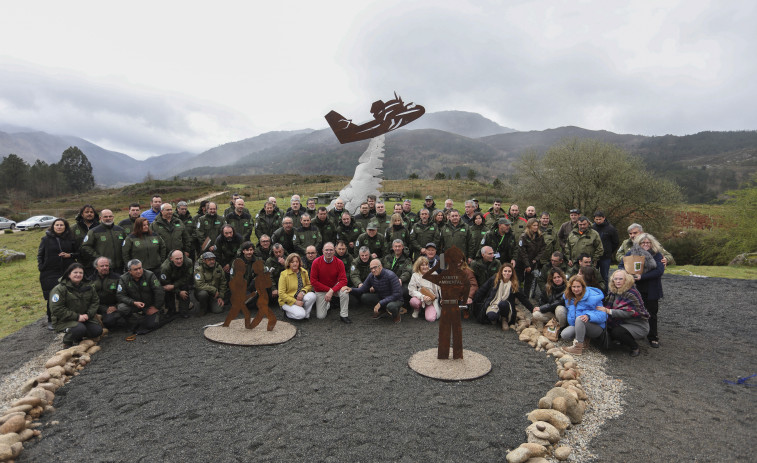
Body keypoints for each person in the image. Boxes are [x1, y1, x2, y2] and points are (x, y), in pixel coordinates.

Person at [618, 233, 665, 348]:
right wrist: (628, 274)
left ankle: (653, 337)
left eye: (648, 242)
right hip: (634, 288)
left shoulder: (657, 255)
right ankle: (632, 334)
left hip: (651, 288)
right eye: (643, 242)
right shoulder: (632, 253)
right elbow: (621, 265)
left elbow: (659, 271)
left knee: (651, 313)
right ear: (638, 243)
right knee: (631, 311)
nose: (646, 245)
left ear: (652, 243)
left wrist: (642, 277)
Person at [38, 218, 79, 330]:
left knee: (69, 295)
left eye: (62, 225)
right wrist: (41, 267)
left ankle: (67, 318)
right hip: (50, 271)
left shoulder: (71, 239)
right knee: (53, 295)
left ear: (65, 227)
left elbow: (78, 253)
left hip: (67, 270)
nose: (59, 227)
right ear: (53, 226)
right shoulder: (46, 239)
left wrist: (69, 255)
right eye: (57, 225)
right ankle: (51, 319)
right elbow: (40, 254)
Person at [49, 263, 103, 346]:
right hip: (64, 320)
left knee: (97, 331)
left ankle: (78, 336)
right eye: (75, 272)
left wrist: (88, 315)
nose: (78, 275)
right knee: (79, 329)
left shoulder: (89, 286)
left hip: (84, 318)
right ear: (69, 274)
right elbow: (57, 309)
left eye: (81, 273)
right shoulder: (59, 289)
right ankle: (67, 341)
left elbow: (95, 302)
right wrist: (77, 317)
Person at [600, 270, 650, 357]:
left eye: (620, 279)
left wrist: (608, 311)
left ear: (626, 280)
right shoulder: (613, 291)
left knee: (617, 332)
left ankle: (634, 347)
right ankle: (621, 341)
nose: (618, 281)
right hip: (623, 323)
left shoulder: (631, 293)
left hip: (638, 325)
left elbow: (629, 313)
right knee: (606, 326)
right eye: (615, 279)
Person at [473, 263, 533, 329]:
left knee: (502, 303)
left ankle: (504, 319)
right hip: (494, 304)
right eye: (505, 271)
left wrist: (533, 309)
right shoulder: (494, 279)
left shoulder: (514, 284)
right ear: (501, 272)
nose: (507, 273)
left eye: (509, 271)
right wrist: (473, 300)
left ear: (512, 273)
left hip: (506, 306)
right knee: (491, 316)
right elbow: (482, 290)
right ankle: (497, 317)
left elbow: (523, 298)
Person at [560, 275, 606, 355]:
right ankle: (585, 338)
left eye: (578, 286)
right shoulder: (569, 297)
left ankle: (577, 348)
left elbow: (603, 315)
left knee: (580, 319)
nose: (576, 289)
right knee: (565, 335)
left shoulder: (592, 297)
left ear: (583, 286)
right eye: (574, 287)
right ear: (570, 287)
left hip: (596, 327)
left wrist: (589, 316)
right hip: (578, 324)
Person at [117, 259, 165, 334]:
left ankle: (157, 313)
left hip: (150, 305)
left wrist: (156, 307)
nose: (139, 271)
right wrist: (133, 302)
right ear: (129, 271)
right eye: (135, 269)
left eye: (140, 268)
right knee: (121, 308)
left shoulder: (150, 275)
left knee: (151, 325)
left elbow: (159, 291)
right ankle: (135, 322)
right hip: (136, 304)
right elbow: (120, 295)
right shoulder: (123, 278)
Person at [310, 242, 351, 323]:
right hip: (321, 290)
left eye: (331, 250)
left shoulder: (339, 262)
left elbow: (344, 280)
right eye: (326, 250)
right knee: (320, 317)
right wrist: (329, 290)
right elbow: (313, 281)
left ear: (334, 251)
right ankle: (327, 305)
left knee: (345, 292)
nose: (329, 252)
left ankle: (344, 315)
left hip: (334, 288)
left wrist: (332, 291)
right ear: (322, 251)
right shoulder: (316, 262)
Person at [81, 209, 126, 276]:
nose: (108, 218)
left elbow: (126, 245)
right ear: (100, 218)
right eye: (105, 217)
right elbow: (85, 246)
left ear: (113, 217)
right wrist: (98, 257)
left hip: (120, 267)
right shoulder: (94, 231)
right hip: (104, 268)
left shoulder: (120, 230)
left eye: (110, 216)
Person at [278, 253, 316, 320]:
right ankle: (287, 313)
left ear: (299, 262)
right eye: (292, 262)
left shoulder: (304, 272)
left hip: (300, 298)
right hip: (287, 301)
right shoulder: (284, 274)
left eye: (297, 261)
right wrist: (295, 302)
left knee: (312, 295)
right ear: (289, 263)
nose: (295, 264)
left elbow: (309, 285)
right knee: (300, 315)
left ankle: (306, 314)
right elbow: (281, 293)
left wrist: (303, 292)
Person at [158, 250, 194, 318]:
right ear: (171, 259)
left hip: (181, 279)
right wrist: (178, 292)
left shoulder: (188, 262)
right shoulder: (165, 267)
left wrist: (175, 286)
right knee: (168, 291)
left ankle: (184, 310)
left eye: (181, 258)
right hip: (169, 281)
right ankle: (170, 309)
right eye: (177, 259)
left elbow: (188, 276)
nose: (179, 261)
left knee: (185, 289)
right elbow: (166, 284)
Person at [91, 256, 124, 330]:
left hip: (113, 307)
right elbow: (89, 298)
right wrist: (104, 309)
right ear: (96, 267)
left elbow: (123, 295)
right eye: (102, 266)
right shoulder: (90, 280)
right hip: (98, 307)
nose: (105, 267)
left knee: (109, 322)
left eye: (106, 265)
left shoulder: (118, 278)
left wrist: (116, 306)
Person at [517, 218, 546, 298]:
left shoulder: (540, 236)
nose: (536, 227)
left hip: (533, 261)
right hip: (522, 261)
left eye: (537, 225)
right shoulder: (524, 236)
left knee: (529, 280)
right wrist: (527, 265)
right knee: (519, 280)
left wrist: (536, 259)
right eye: (534, 225)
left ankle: (526, 297)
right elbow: (522, 252)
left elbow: (543, 248)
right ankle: (517, 296)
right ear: (529, 226)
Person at [408, 256, 441, 321]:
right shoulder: (415, 275)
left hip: (431, 300)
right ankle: (417, 309)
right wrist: (422, 297)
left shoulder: (434, 273)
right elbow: (411, 290)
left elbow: (440, 288)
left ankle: (426, 310)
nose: (425, 267)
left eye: (426, 264)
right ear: (418, 266)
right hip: (420, 298)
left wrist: (442, 299)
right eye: (422, 265)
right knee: (413, 301)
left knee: (430, 319)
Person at [592, 211, 619, 284]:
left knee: (605, 276)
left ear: (604, 218)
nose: (598, 221)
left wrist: (609, 251)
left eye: (600, 219)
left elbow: (616, 242)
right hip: (594, 256)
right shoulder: (592, 228)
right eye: (596, 219)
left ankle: (606, 293)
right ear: (594, 219)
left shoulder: (611, 228)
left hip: (606, 257)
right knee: (593, 276)